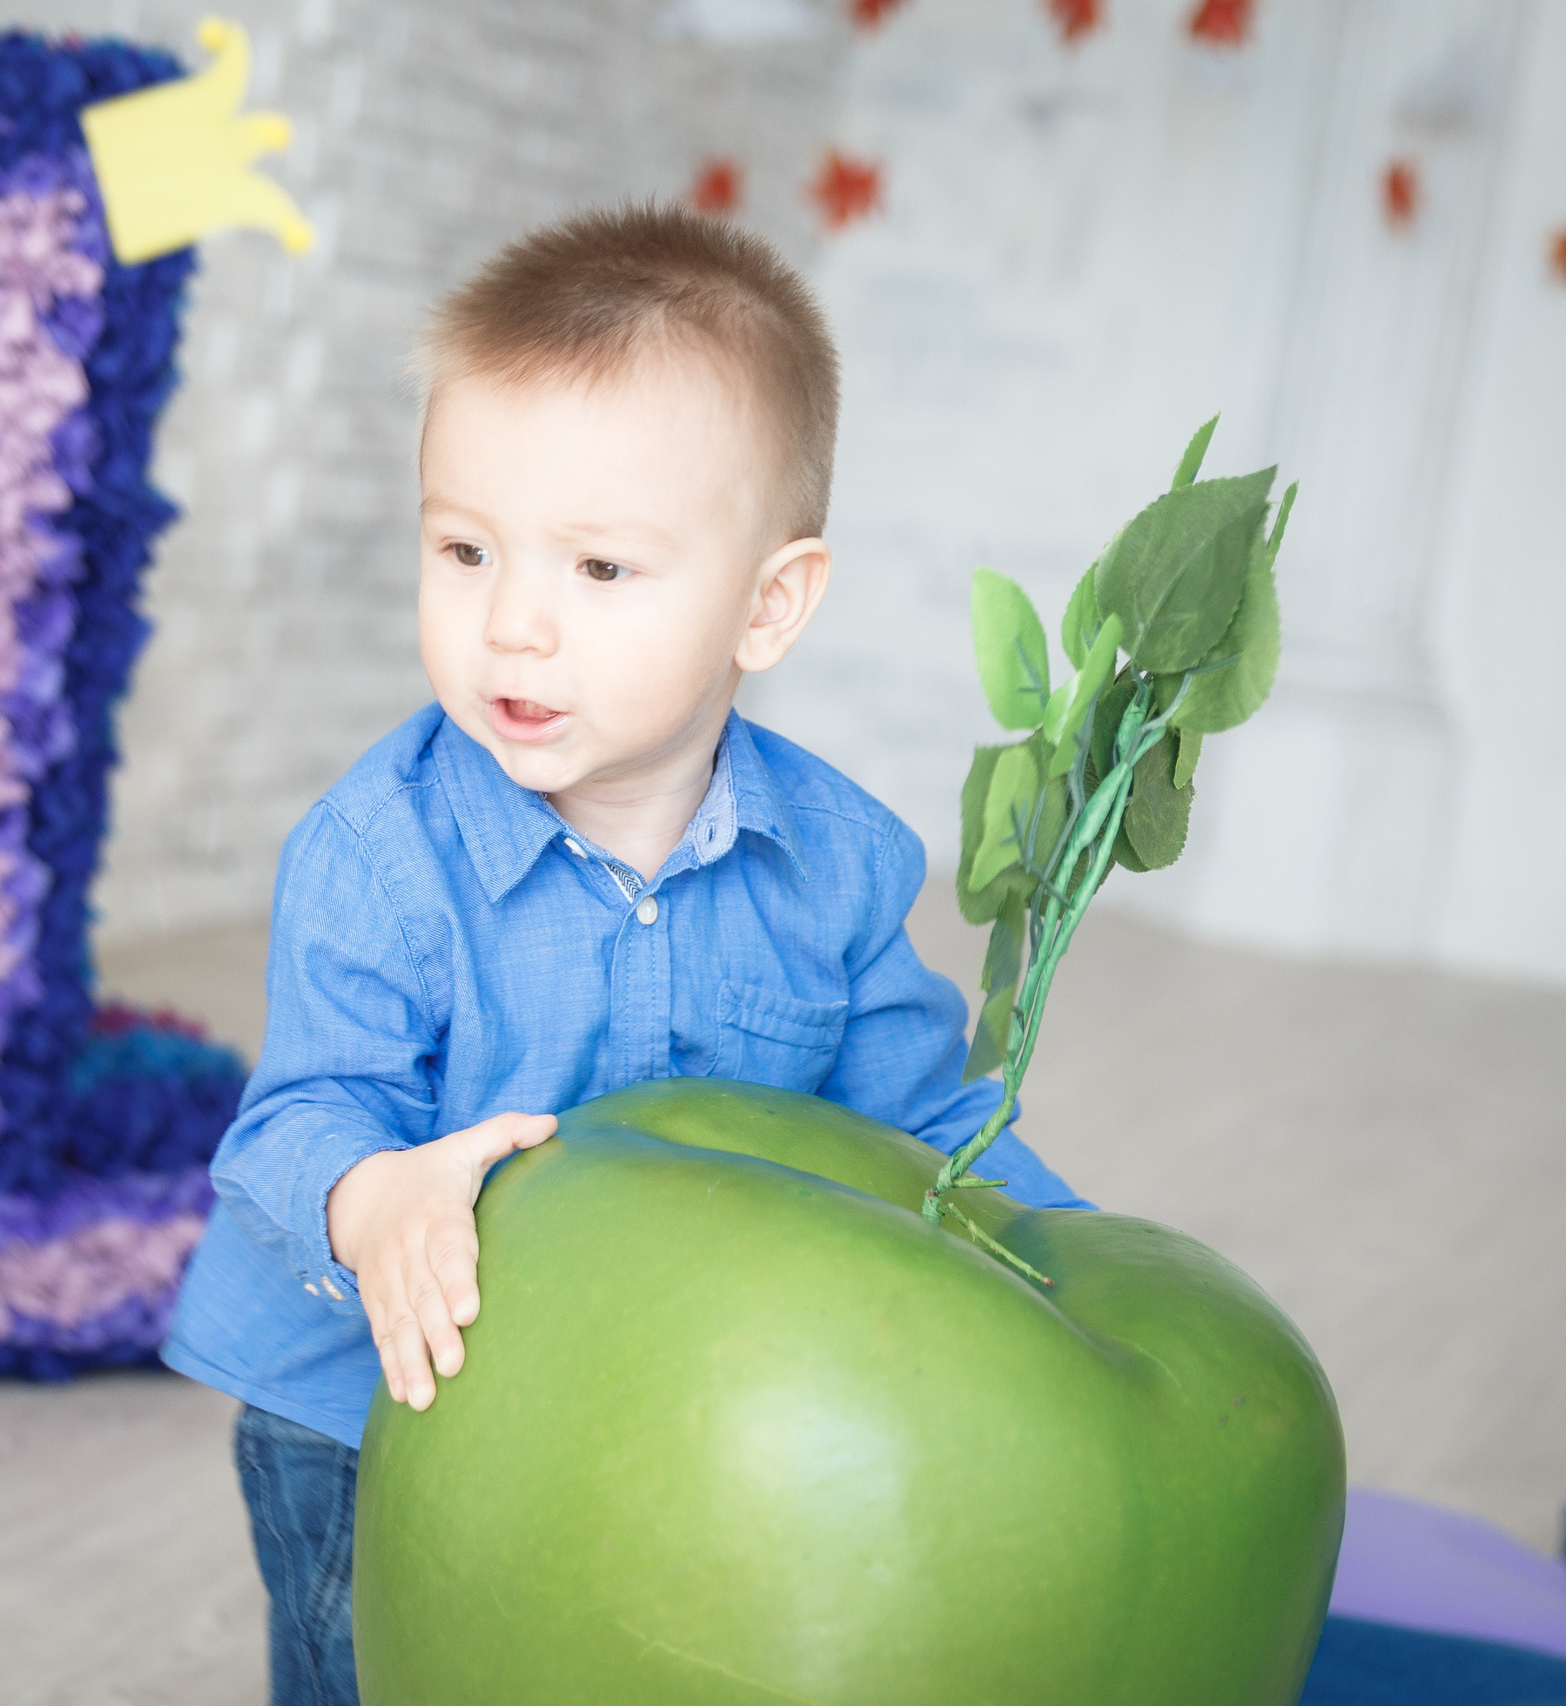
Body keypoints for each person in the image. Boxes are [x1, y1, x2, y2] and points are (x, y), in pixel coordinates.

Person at [158, 202, 1091, 1706]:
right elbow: (296, 1117)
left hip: (651, 1407)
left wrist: (1065, 1266)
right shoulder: (376, 856)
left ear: (767, 605)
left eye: (598, 570)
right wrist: (376, 1197)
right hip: (370, 1412)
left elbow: (921, 1119)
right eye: (465, 549)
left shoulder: (839, 864)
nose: (513, 625)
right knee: (377, 1669)